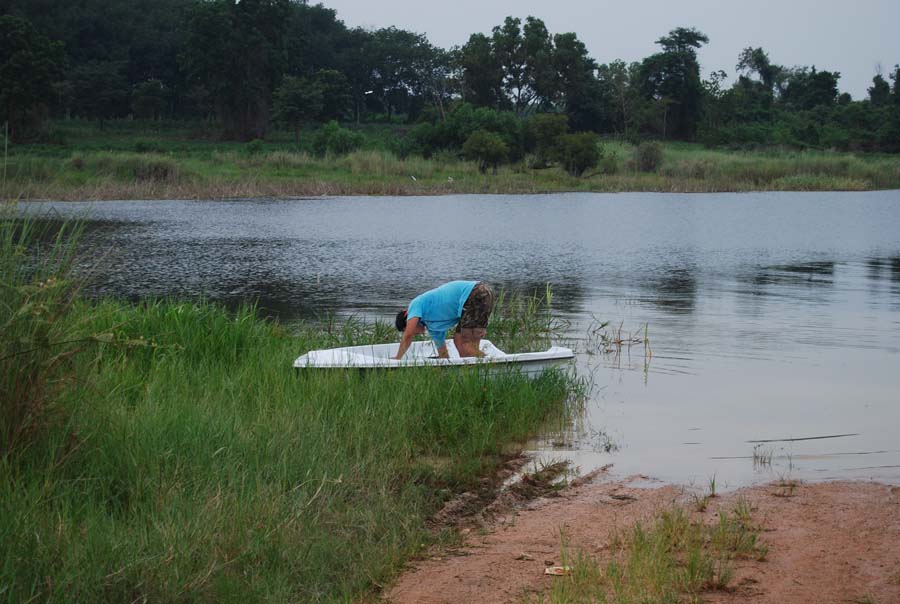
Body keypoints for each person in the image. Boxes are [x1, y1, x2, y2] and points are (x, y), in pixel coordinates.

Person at [394, 280, 495, 360]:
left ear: (407, 317)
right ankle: (477, 370)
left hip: (474, 292)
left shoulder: (415, 304)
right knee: (460, 341)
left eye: (406, 328)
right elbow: (443, 355)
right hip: (478, 295)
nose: (415, 334)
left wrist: (397, 358)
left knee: (465, 344)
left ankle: (489, 363)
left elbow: (408, 335)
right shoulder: (434, 329)